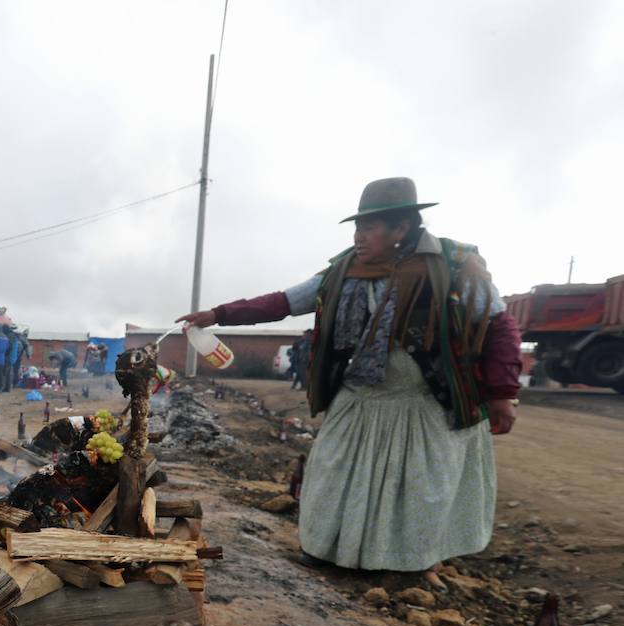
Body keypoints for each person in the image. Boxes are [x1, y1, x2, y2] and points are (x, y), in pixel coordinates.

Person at [177, 178, 521, 589]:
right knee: (331, 470)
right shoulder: (344, 270)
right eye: (356, 227)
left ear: (402, 229)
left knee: (416, 485)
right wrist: (216, 315)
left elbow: (500, 325)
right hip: (359, 396)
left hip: (424, 402)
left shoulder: (453, 266)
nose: (358, 236)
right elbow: (284, 302)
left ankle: (408, 565)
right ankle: (327, 550)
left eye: (370, 227)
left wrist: (503, 394)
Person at [2, 327, 22, 392]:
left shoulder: (9, 336)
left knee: (6, 373)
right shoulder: (14, 337)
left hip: (9, 357)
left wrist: (5, 354)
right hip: (13, 357)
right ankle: (8, 388)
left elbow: (9, 347)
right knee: (9, 373)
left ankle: (5, 388)